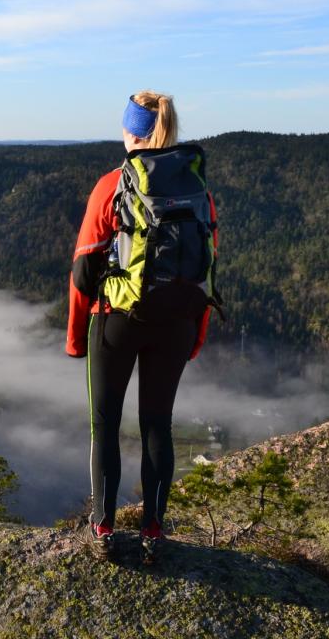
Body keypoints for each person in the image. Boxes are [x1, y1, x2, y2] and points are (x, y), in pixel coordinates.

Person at [65, 90, 219, 564]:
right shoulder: (199, 191)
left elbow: (84, 271)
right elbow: (206, 269)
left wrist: (75, 338)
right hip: (176, 322)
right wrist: (195, 333)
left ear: (129, 132)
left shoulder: (113, 185)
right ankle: (153, 530)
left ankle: (103, 527)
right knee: (157, 425)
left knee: (105, 424)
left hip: (117, 318)